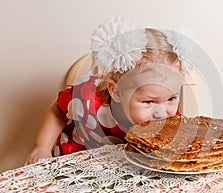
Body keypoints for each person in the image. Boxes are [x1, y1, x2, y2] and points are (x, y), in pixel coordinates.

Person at [25, 17, 186, 165]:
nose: (161, 112)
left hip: (123, 169)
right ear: (116, 92)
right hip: (75, 162)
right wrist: (42, 147)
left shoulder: (167, 116)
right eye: (149, 101)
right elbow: (57, 110)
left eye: (171, 98)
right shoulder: (86, 99)